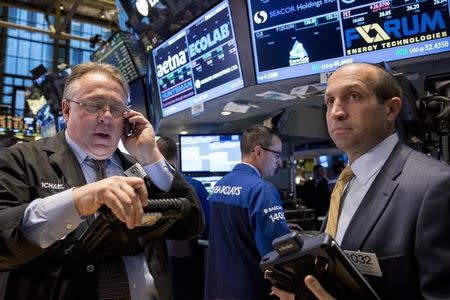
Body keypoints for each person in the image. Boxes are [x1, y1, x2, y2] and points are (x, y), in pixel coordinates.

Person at [0, 62, 204, 300]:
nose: (106, 117)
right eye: (94, 106)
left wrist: (151, 155)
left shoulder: (138, 167)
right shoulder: (21, 160)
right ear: (66, 110)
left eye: (117, 108)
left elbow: (191, 225)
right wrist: (78, 201)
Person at [272, 62, 450, 299]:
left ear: (390, 110)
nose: (336, 111)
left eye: (353, 96)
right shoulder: (345, 183)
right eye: (329, 101)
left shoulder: (435, 186)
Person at [205, 125, 290, 300]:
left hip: (220, 288)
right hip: (252, 289)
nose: (279, 162)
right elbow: (278, 252)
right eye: (277, 154)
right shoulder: (262, 190)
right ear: (258, 151)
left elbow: (236, 229)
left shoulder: (220, 185)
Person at [156, 136, 209, 300]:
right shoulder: (194, 186)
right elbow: (205, 225)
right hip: (188, 257)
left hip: (157, 256)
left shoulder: (147, 184)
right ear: (177, 158)